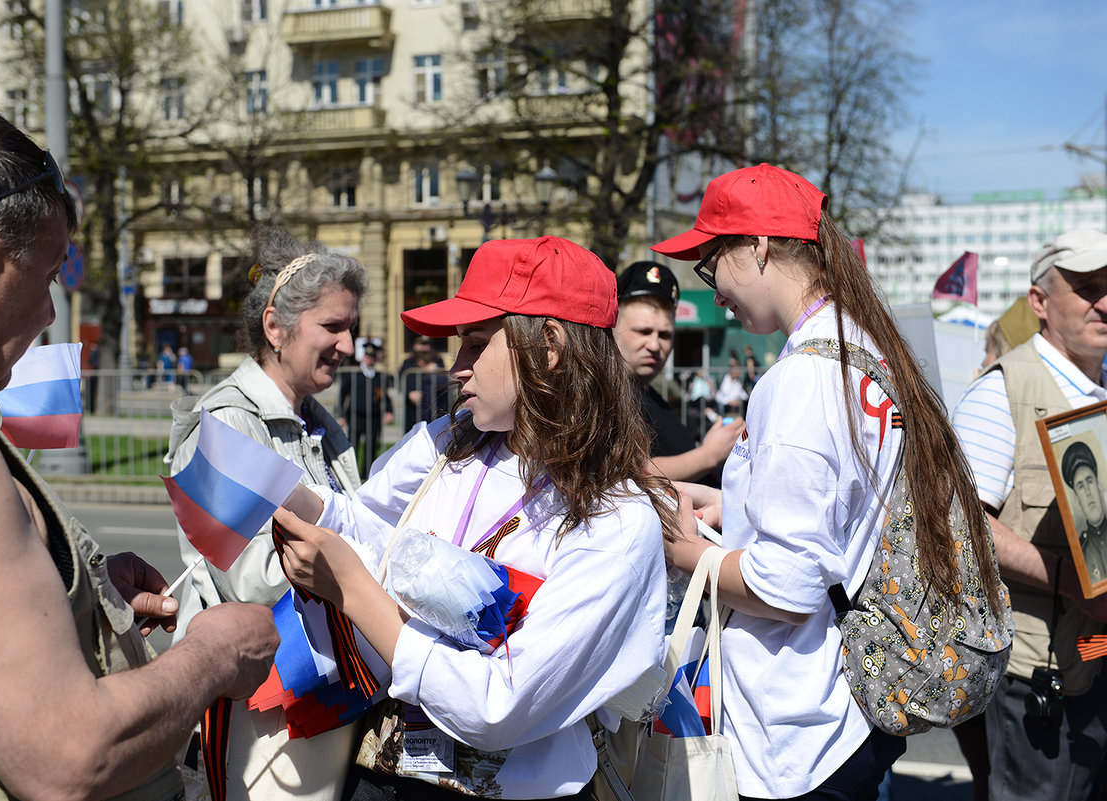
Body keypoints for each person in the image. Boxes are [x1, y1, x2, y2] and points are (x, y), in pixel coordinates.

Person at [0, 100, 278, 801]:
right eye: (47, 276)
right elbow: (68, 754)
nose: (52, 314)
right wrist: (214, 653)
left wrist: (79, 598)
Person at [272, 235, 676, 799]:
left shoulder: (617, 520)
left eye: (476, 344)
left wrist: (355, 592)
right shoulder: (449, 443)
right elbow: (367, 522)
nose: (456, 368)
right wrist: (273, 491)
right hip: (388, 771)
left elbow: (498, 706)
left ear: (549, 346)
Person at [654, 163, 1007, 800]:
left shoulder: (801, 380)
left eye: (711, 264)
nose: (712, 288)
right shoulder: (863, 348)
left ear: (757, 246)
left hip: (799, 732)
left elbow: (786, 588)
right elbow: (845, 514)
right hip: (846, 715)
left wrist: (687, 552)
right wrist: (728, 503)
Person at [164, 225, 365, 801]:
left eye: (350, 327)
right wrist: (364, 555)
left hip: (326, 692)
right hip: (260, 703)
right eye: (332, 326)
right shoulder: (222, 423)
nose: (348, 345)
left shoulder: (323, 424)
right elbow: (250, 582)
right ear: (275, 327)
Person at [951, 228, 1107, 801]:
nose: (1106, 302)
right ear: (1040, 302)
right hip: (1037, 677)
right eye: (1089, 288)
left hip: (1096, 655)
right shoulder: (1004, 391)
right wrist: (1070, 583)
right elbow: (962, 530)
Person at [613, 260, 743, 483]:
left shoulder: (649, 395)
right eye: (643, 331)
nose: (655, 345)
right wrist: (708, 455)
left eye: (664, 334)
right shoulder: (604, 395)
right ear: (613, 326)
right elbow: (625, 472)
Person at [339, 341, 395, 478]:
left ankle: (366, 476)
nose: (369, 359)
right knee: (353, 446)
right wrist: (340, 414)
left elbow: (383, 395)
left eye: (372, 356)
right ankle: (351, 476)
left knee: (371, 447)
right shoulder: (354, 373)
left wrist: (389, 411)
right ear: (363, 357)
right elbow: (342, 395)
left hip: (373, 416)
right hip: (355, 415)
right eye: (367, 356)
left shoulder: (379, 376)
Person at [1061, 441, 1107, 583]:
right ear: (1077, 499)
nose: (1087, 492)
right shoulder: (1081, 550)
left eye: (1090, 481)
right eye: (1080, 486)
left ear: (1098, 486)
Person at [398, 334, 449, 430]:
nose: (425, 348)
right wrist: (409, 392)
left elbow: (443, 381)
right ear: (415, 345)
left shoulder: (437, 360)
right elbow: (402, 379)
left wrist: (435, 370)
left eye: (427, 344)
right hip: (413, 407)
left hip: (435, 405)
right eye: (422, 344)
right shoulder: (408, 361)